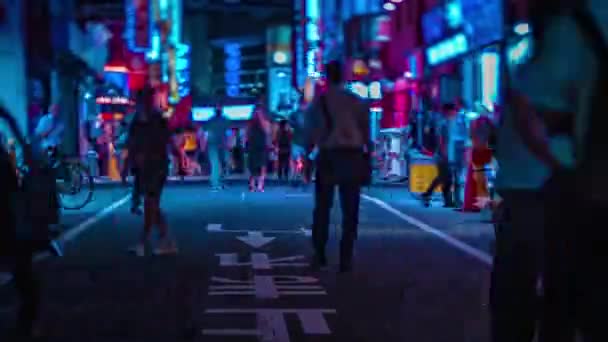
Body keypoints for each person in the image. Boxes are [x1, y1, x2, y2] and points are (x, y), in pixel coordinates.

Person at [508, 1, 608, 341]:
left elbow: (529, 107)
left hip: (591, 198)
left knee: (566, 302)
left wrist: (562, 166)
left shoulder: (578, 26)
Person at [302, 60, 371, 272]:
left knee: (323, 207)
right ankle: (345, 257)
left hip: (329, 156)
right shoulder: (357, 101)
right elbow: (367, 134)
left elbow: (311, 134)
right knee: (351, 211)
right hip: (352, 156)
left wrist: (307, 161)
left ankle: (320, 253)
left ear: (326, 78)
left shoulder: (319, 102)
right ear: (343, 77)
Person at [127, 87, 178, 256]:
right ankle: (148, 241)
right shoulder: (140, 120)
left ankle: (156, 241)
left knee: (151, 204)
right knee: (151, 205)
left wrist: (180, 157)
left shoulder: (156, 119)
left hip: (156, 166)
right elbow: (132, 144)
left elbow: (167, 141)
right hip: (145, 168)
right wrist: (128, 164)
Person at [420, 103, 463, 208]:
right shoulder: (443, 123)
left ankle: (447, 201)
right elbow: (441, 139)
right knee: (444, 177)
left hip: (449, 154)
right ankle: (429, 194)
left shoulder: (452, 122)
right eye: (453, 111)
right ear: (448, 112)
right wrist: (444, 152)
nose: (455, 113)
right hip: (442, 155)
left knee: (445, 178)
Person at [246, 106, 270, 192]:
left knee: (262, 166)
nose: (257, 114)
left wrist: (261, 119)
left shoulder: (265, 122)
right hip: (253, 147)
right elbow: (247, 134)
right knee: (252, 167)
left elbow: (267, 131)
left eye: (259, 112)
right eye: (256, 112)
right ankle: (252, 185)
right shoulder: (250, 123)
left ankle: (260, 185)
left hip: (262, 147)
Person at [206, 106, 227, 191]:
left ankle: (220, 182)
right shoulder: (210, 120)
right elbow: (204, 132)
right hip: (213, 144)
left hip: (222, 144)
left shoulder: (225, 120)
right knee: (215, 164)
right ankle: (215, 184)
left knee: (222, 164)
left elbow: (229, 132)